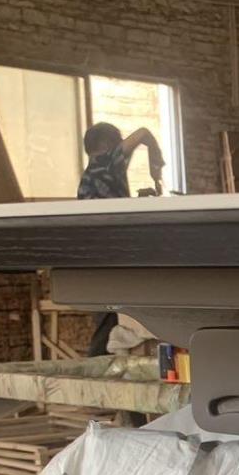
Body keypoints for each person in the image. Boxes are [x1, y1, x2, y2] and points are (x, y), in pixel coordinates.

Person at [77, 122, 165, 353]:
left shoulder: (95, 175)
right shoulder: (104, 163)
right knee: (107, 322)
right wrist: (156, 158)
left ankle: (101, 364)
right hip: (105, 260)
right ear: (108, 144)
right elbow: (143, 133)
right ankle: (98, 367)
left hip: (97, 260)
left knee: (109, 321)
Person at [76, 122, 164, 200]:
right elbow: (143, 133)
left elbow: (111, 207)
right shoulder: (106, 162)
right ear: (105, 144)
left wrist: (138, 201)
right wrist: (156, 175)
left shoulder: (89, 176)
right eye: (118, 144)